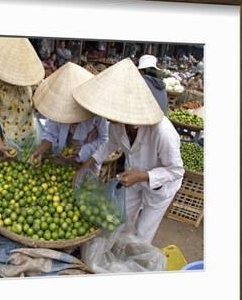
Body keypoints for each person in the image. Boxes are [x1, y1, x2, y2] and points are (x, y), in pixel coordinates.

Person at [72, 58, 184, 243]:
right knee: (122, 220)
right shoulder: (117, 123)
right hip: (133, 181)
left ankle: (133, 263)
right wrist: (86, 165)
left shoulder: (162, 132)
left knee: (142, 233)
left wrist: (142, 176)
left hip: (160, 187)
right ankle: (118, 255)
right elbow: (109, 145)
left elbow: (176, 170)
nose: (108, 119)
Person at [0, 36, 45, 157]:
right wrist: (0, 144)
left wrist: (37, 105)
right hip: (11, 143)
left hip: (33, 135)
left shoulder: (27, 80)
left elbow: (36, 101)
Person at [30, 62, 109, 164]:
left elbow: (104, 140)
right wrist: (39, 151)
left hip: (87, 161)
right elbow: (51, 133)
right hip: (61, 158)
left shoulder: (96, 112)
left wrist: (82, 152)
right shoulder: (57, 107)